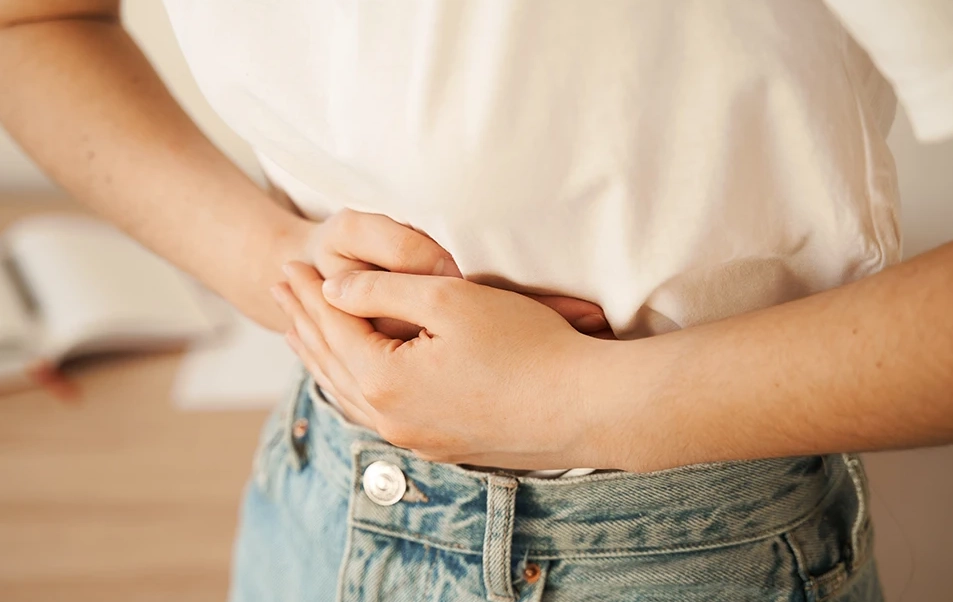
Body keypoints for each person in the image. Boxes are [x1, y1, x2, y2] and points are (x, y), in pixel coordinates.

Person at [2, 1, 951, 600]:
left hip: (675, 549)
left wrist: (575, 403)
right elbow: (35, 21)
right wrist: (274, 265)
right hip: (319, 492)